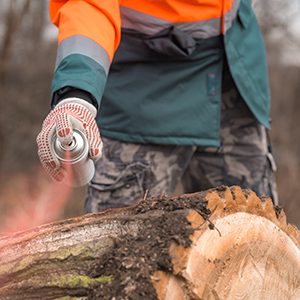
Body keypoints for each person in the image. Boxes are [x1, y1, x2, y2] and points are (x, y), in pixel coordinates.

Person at [37, 0, 278, 213]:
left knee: (256, 238)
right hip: (142, 88)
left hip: (231, 69)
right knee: (122, 249)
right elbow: (88, 6)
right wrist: (77, 93)